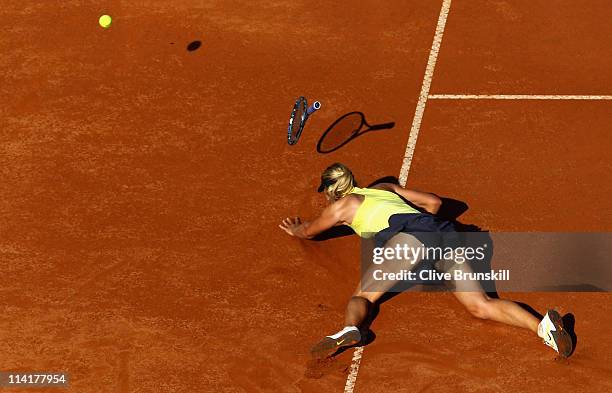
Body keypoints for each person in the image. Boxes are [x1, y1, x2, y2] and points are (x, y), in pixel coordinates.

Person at [279, 163, 572, 359]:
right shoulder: (384, 188)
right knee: (480, 305)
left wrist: (296, 229)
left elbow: (310, 231)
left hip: (410, 241)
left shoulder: (341, 207)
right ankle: (544, 329)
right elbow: (434, 203)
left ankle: (350, 329)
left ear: (332, 191)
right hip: (445, 235)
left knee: (364, 295)